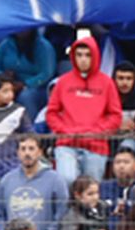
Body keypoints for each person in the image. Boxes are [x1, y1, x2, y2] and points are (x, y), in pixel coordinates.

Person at [45, 35, 122, 184]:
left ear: (95, 56)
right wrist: (64, 130)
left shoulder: (106, 83)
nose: (83, 59)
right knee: (66, 180)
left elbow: (115, 116)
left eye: (88, 55)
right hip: (67, 143)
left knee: (90, 188)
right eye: (79, 55)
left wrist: (97, 132)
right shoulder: (63, 82)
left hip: (96, 145)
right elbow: (52, 113)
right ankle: (68, 209)